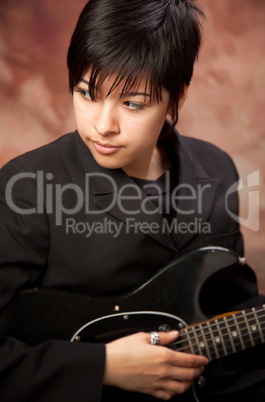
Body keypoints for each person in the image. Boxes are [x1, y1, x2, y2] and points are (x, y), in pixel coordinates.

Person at [0, 0, 264, 401]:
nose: (102, 126)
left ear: (178, 97)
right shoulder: (26, 187)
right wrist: (102, 367)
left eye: (133, 104)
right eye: (87, 94)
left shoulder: (217, 169)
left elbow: (231, 312)